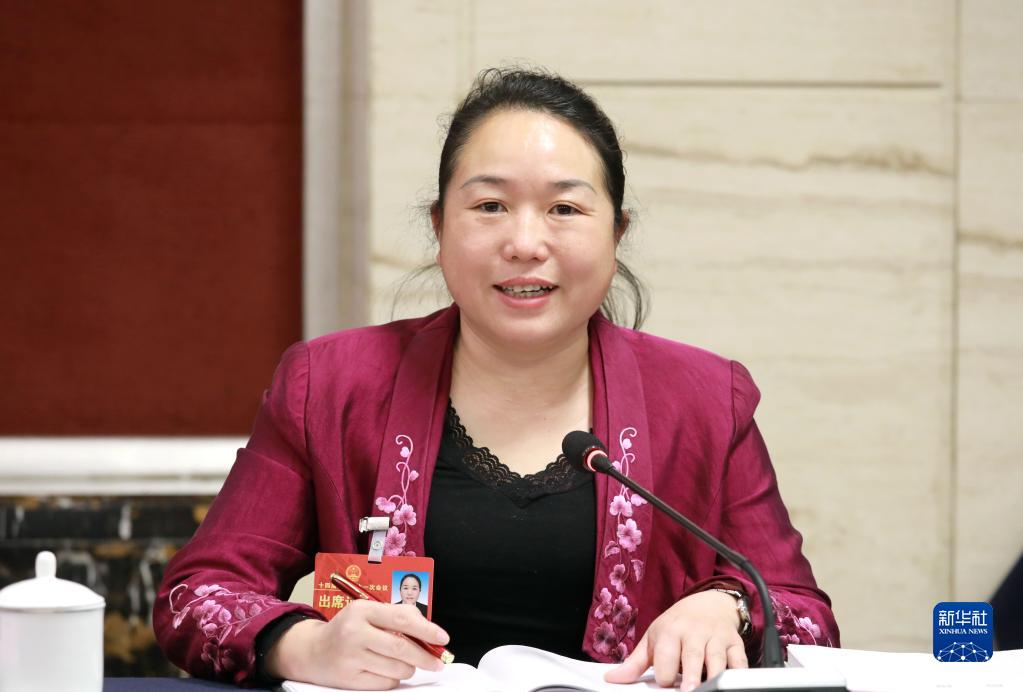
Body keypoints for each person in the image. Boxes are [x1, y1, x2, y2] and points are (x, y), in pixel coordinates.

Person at [153, 67, 839, 691]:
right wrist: (304, 645)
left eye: (564, 209)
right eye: (489, 207)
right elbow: (197, 594)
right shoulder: (331, 386)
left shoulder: (703, 399)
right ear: (439, 227)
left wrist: (727, 606)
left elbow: (805, 616)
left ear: (616, 233)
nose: (524, 243)